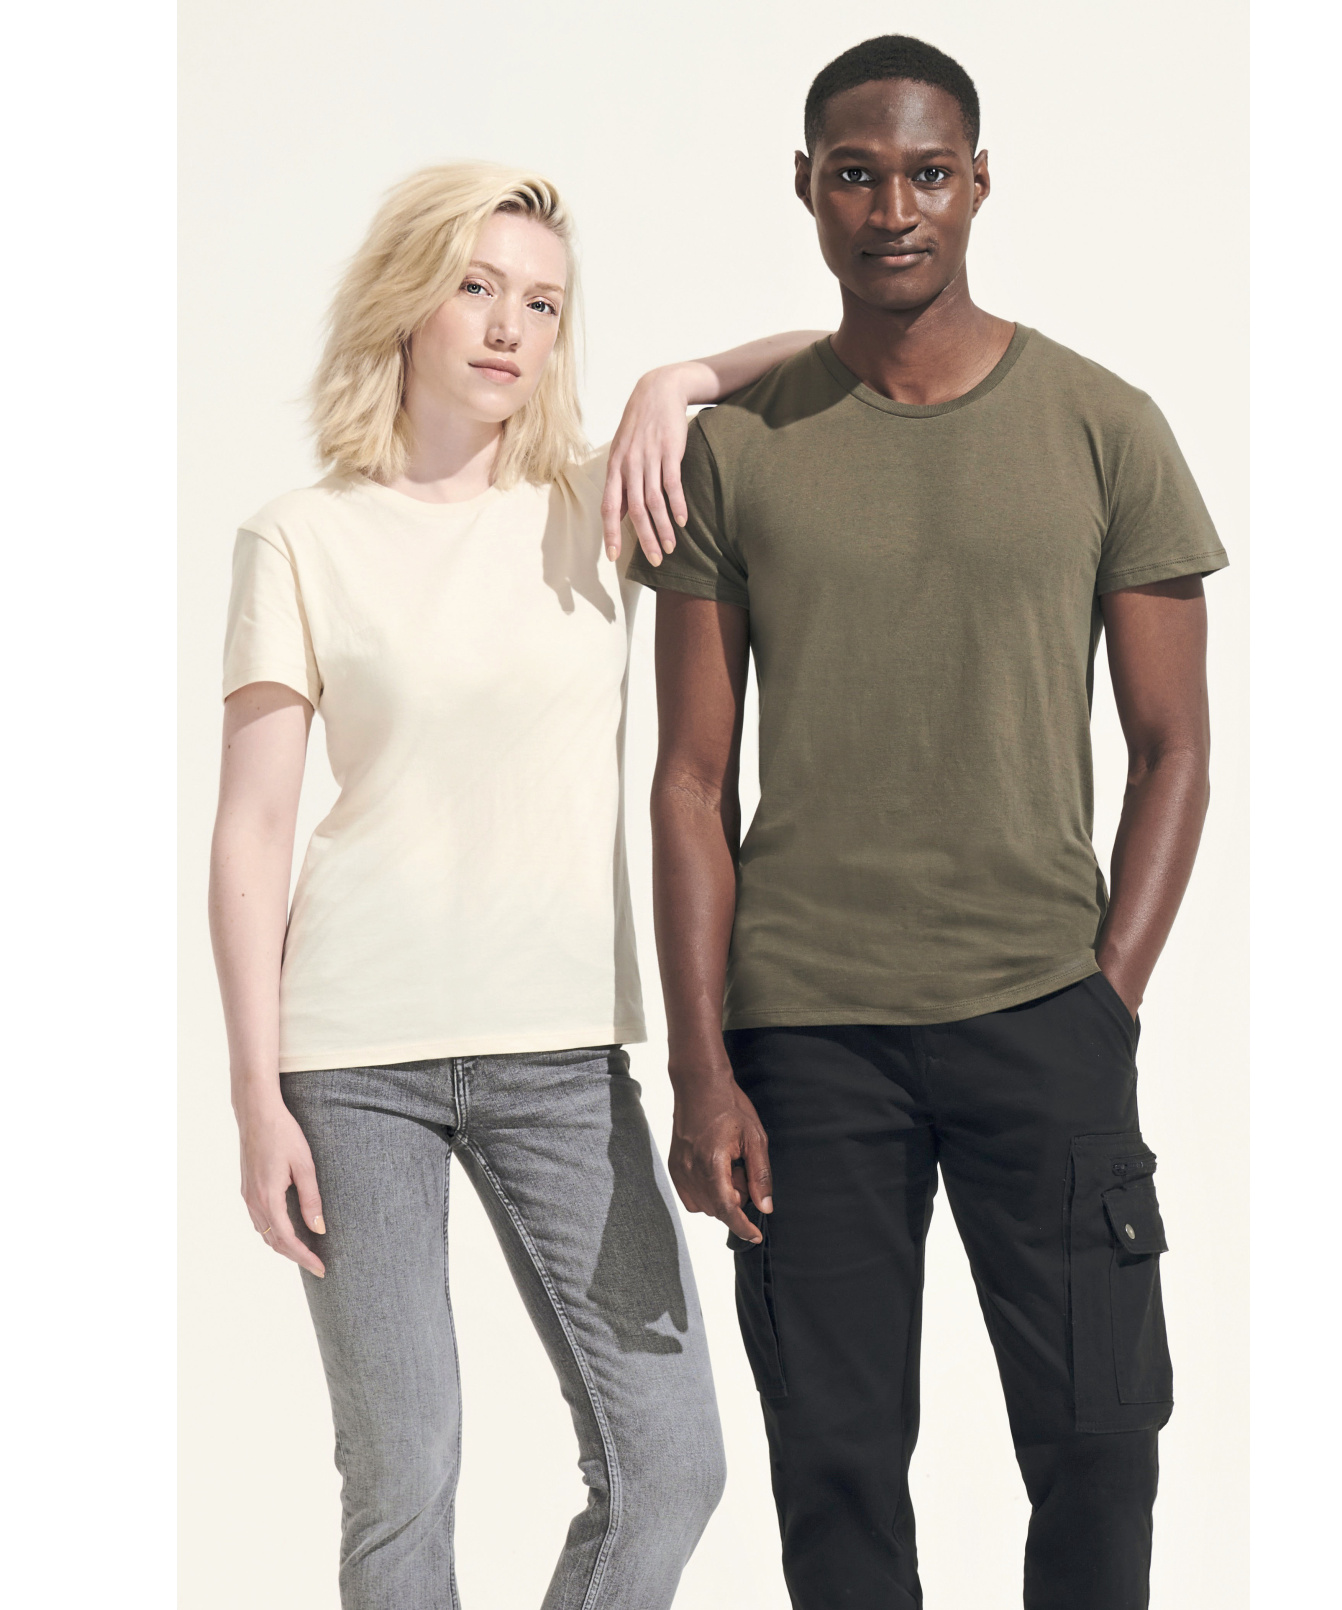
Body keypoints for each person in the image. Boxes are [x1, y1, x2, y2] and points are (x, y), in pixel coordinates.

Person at [629, 34, 1228, 1610]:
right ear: (807, 189)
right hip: (806, 1037)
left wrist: (1106, 999)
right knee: (835, 1464)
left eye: (927, 173)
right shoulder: (735, 450)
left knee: (1101, 1438)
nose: (893, 208)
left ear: (977, 183)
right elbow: (688, 778)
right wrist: (702, 1066)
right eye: (857, 175)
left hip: (1042, 1013)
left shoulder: (1104, 424)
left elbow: (1175, 748)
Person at [208, 160, 822, 1610]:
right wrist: (254, 1098)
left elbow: (827, 350)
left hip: (564, 1058)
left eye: (543, 304)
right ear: (406, 301)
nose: (508, 327)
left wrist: (680, 378)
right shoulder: (299, 536)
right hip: (352, 1064)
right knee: (404, 1469)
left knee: (671, 1465)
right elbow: (251, 830)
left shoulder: (600, 503)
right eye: (476, 287)